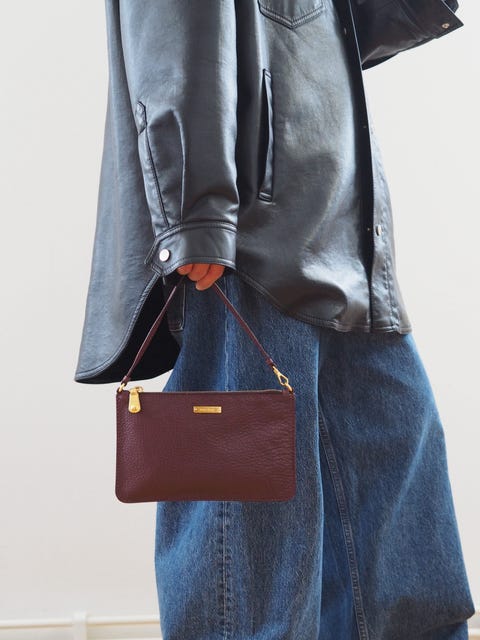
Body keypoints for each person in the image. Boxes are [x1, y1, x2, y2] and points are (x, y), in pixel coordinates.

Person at [74, 0, 475, 637]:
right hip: (250, 242)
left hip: (343, 234)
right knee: (252, 557)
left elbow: (346, 30)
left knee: (398, 532)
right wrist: (197, 214)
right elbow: (174, 27)